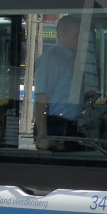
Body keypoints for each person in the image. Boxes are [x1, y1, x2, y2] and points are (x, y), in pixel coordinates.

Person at [33, 14, 83, 149]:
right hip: (55, 127)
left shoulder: (74, 59)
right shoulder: (51, 59)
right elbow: (41, 99)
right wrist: (42, 135)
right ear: (62, 35)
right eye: (76, 35)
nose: (81, 39)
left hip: (73, 127)